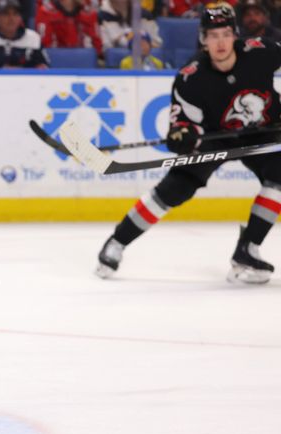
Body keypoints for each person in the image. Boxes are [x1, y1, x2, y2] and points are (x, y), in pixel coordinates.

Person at [96, 3, 281, 284]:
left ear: (235, 35)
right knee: (174, 190)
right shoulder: (190, 77)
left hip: (262, 132)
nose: (220, 42)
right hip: (214, 137)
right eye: (213, 35)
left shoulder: (260, 51)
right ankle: (117, 242)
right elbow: (182, 124)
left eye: (225, 34)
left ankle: (247, 249)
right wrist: (182, 136)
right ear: (203, 39)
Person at [0, 0, 49, 68]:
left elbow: (44, 68)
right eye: (6, 14)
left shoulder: (33, 38)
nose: (11, 19)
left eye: (16, 14)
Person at [36, 0, 102, 57]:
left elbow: (97, 46)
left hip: (83, 63)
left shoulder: (89, 13)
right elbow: (44, 47)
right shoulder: (46, 12)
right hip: (55, 64)